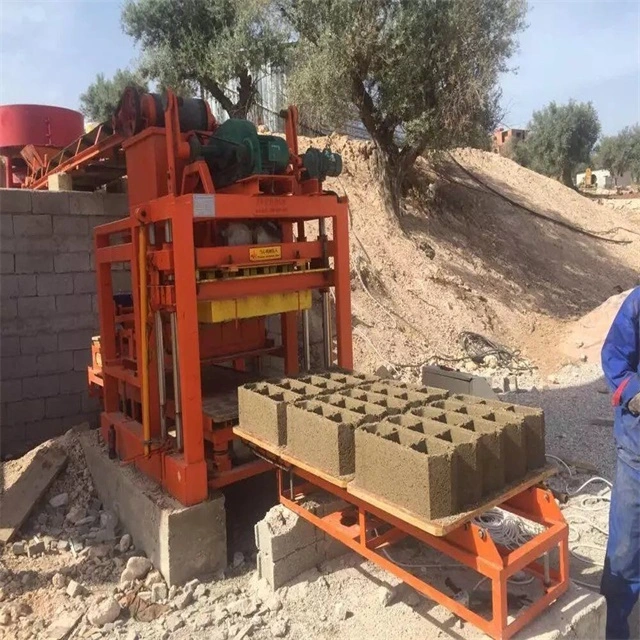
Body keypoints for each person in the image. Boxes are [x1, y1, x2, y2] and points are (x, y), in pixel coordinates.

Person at [601, 286, 640, 639]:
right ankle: (614, 631)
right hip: (637, 455)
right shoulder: (638, 304)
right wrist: (633, 393)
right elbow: (614, 358)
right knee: (626, 553)